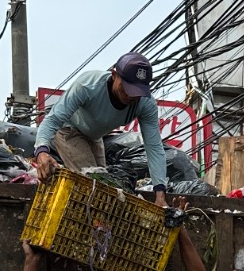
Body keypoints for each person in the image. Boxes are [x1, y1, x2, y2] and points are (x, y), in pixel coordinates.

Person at [34, 52, 168, 206]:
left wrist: (160, 195)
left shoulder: (146, 103)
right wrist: (41, 151)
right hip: (68, 130)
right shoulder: (88, 85)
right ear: (114, 75)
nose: (131, 96)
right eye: (127, 88)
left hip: (95, 137)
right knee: (94, 186)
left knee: (106, 187)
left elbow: (154, 147)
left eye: (137, 92)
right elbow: (53, 119)